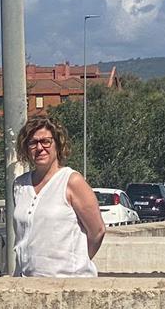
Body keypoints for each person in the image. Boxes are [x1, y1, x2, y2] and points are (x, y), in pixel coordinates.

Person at [12, 116, 105, 277]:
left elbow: (97, 231)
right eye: (33, 143)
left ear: (57, 144)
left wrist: (77, 262)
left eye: (45, 141)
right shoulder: (20, 185)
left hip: (68, 284)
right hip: (27, 283)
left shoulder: (72, 181)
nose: (39, 148)